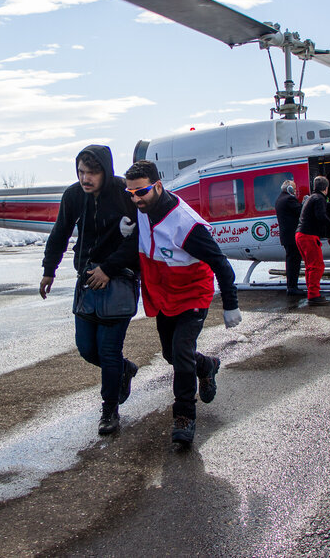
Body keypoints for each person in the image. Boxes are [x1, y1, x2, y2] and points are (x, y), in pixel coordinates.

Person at [123, 160, 242, 446]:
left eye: (142, 192)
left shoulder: (186, 225)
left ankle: (184, 416)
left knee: (181, 351)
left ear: (159, 186)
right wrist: (124, 225)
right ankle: (207, 365)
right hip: (165, 294)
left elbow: (221, 264)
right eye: (131, 194)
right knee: (172, 355)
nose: (136, 199)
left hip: (192, 293)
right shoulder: (140, 207)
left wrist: (231, 304)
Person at [40, 145, 140, 435]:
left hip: (119, 278)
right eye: (81, 172)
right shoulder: (73, 195)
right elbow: (60, 232)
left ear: (105, 171)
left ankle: (109, 411)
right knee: (87, 349)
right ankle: (125, 369)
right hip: (86, 280)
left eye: (92, 172)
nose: (86, 178)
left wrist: (108, 269)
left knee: (108, 351)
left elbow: (138, 240)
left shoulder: (124, 194)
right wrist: (49, 270)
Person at [295, 176, 330, 306]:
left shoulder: (312, 198)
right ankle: (313, 295)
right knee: (317, 266)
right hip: (308, 235)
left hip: (300, 234)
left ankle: (311, 292)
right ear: (326, 188)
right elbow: (321, 216)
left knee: (309, 266)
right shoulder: (319, 199)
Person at [274, 179, 304, 297]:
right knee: (294, 262)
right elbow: (301, 211)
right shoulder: (289, 199)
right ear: (289, 189)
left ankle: (291, 286)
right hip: (291, 237)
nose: (296, 191)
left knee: (291, 261)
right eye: (294, 188)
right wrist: (306, 202)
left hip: (286, 236)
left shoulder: (279, 199)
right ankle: (292, 287)